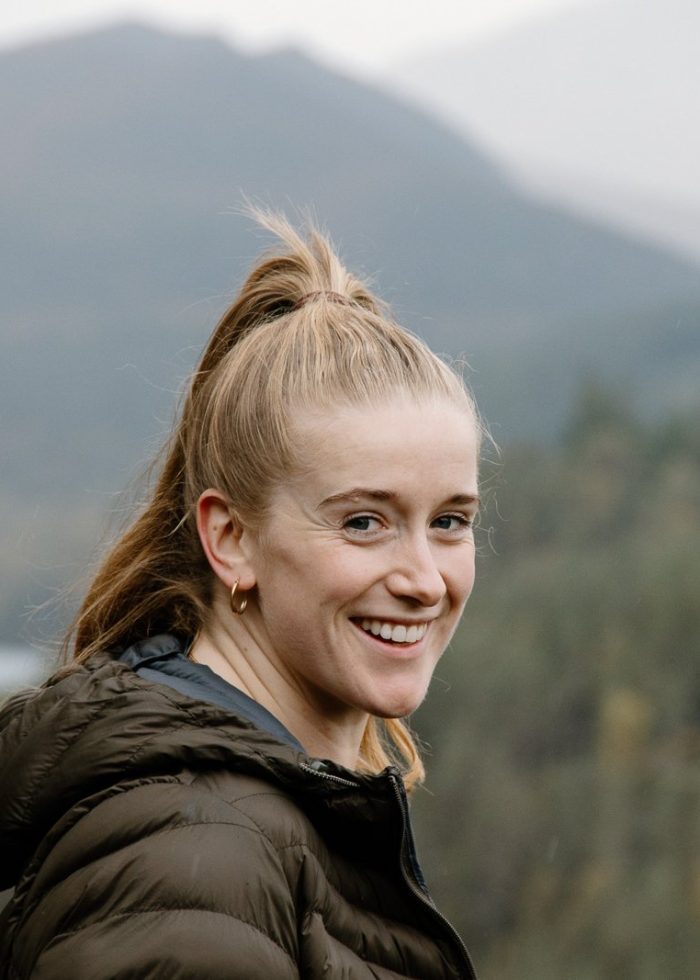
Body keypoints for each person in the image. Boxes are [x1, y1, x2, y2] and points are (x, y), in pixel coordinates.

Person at [0, 213, 481, 979]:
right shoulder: (192, 861)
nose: (425, 579)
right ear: (230, 538)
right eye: (364, 522)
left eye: (450, 521)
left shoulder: (251, 823)